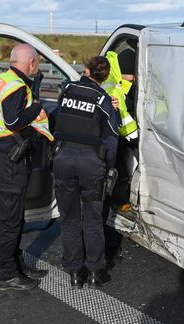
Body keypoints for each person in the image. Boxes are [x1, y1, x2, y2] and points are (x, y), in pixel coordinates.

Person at [0, 44, 52, 290]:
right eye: (37, 63)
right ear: (31, 62)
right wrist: (36, 107)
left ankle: (15, 265)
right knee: (9, 219)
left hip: (2, 155)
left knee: (13, 216)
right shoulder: (17, 87)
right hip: (9, 159)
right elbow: (12, 121)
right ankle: (6, 274)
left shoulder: (3, 79)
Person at [52, 55, 120, 289]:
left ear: (87, 70)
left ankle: (73, 272)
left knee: (69, 219)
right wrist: (109, 167)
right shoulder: (103, 100)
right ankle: (93, 272)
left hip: (63, 160)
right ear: (105, 76)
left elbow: (56, 118)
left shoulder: (68, 89)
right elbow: (112, 138)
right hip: (91, 164)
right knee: (92, 220)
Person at [101, 49, 138, 209]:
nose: (135, 78)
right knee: (119, 168)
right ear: (125, 71)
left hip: (111, 134)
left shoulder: (113, 79)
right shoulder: (114, 88)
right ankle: (120, 201)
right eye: (133, 75)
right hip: (113, 136)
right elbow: (123, 120)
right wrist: (137, 137)